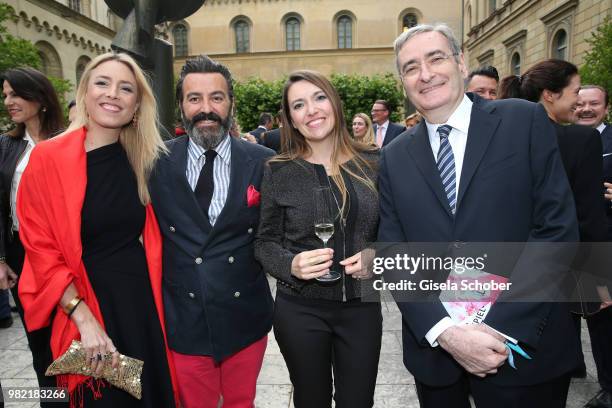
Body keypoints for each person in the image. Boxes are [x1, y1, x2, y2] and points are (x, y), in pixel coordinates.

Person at [380, 23, 580, 407]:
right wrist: (447, 333)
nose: (425, 74)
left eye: (435, 58)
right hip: (437, 359)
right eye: (410, 67)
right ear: (402, 81)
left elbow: (556, 230)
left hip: (523, 350)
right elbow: (393, 252)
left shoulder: (522, 120)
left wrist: (498, 328)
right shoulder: (394, 156)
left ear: (460, 61)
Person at [16, 52, 178, 407]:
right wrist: (83, 318)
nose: (112, 94)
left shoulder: (144, 160)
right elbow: (40, 249)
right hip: (81, 305)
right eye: (102, 83)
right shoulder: (47, 159)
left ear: (136, 105)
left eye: (126, 88)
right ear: (85, 92)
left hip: (139, 307)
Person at [148, 55, 274, 408]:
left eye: (216, 97)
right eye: (194, 99)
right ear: (181, 106)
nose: (206, 109)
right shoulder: (154, 162)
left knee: (240, 403)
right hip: (183, 317)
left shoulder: (263, 160)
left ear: (231, 103)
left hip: (244, 317)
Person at [255, 70, 382, 408]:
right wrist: (290, 264)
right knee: (311, 401)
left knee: (358, 402)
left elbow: (395, 233)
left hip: (362, 308)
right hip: (300, 310)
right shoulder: (278, 170)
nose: (311, 110)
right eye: (299, 105)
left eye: (319, 98)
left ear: (335, 104)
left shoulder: (374, 163)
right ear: (292, 120)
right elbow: (264, 242)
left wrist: (376, 255)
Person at [0, 67, 65, 405]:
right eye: (6, 94)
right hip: (22, 257)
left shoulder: (71, 140)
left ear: (39, 98)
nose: (8, 101)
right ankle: (51, 400)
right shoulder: (6, 146)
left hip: (67, 257)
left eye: (15, 94)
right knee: (39, 342)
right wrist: (0, 260)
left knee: (72, 340)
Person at [576, 84, 612, 408]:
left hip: (606, 240)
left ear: (606, 107)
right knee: (584, 311)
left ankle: (609, 386)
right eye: (581, 103)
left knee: (604, 317)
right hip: (574, 242)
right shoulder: (567, 139)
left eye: (594, 104)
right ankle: (576, 365)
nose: (586, 109)